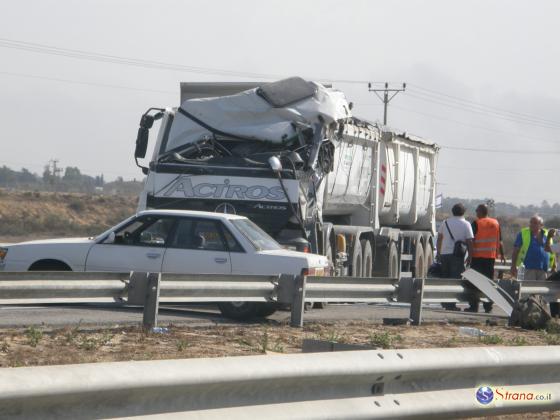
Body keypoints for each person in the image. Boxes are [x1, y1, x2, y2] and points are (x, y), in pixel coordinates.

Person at [467, 204, 505, 313]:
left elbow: (470, 240)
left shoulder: (476, 223)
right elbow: (500, 241)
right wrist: (502, 255)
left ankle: (474, 307)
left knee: (474, 282)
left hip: (477, 257)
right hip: (490, 258)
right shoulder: (495, 223)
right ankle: (488, 307)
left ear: (481, 211)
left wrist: (468, 256)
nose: (475, 212)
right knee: (489, 283)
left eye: (477, 210)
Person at [437, 203, 474, 310]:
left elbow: (439, 238)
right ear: (463, 212)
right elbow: (470, 241)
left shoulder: (445, 222)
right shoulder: (466, 224)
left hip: (445, 254)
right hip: (458, 256)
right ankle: (451, 304)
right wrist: (470, 256)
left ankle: (445, 303)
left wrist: (439, 253)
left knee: (445, 278)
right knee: (455, 279)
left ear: (452, 211)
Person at [511, 215, 556, 280]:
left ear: (541, 225)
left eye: (535, 223)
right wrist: (513, 266)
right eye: (531, 222)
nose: (531, 224)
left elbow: (552, 251)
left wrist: (554, 266)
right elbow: (515, 251)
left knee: (542, 289)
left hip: (543, 269)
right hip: (527, 268)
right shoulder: (523, 233)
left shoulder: (547, 234)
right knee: (528, 288)